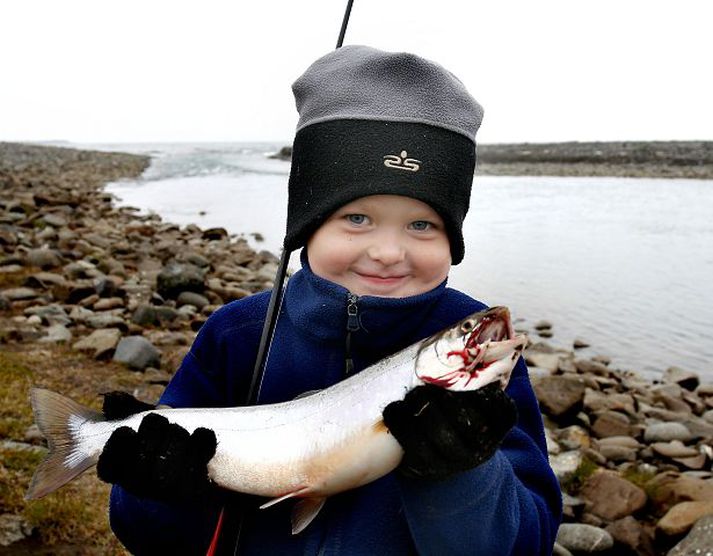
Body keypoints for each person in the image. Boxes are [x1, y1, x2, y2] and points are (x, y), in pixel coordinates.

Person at [98, 45, 562, 555]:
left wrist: (462, 475)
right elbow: (148, 538)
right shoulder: (237, 335)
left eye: (423, 225)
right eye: (357, 218)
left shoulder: (479, 368)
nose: (388, 252)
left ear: (453, 239)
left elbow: (528, 542)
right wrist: (157, 493)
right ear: (306, 225)